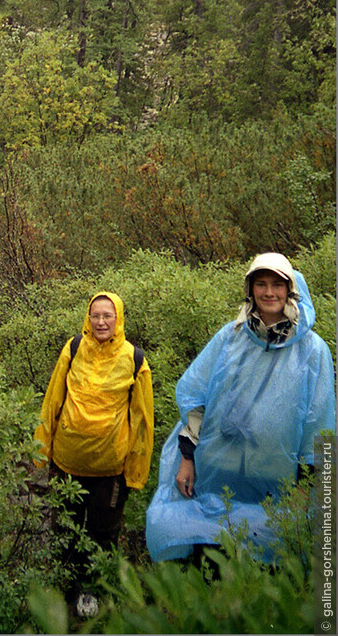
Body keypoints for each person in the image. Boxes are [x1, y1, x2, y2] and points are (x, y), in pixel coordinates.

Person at [146, 252, 336, 565]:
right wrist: (187, 459)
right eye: (261, 284)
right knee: (212, 560)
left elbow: (319, 423)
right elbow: (197, 398)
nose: (269, 292)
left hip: (277, 485)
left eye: (277, 284)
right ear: (251, 290)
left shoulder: (312, 351)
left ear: (290, 290)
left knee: (267, 570)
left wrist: (306, 485)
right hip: (219, 472)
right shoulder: (230, 338)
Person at [34, 292, 153, 617]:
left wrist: (136, 470)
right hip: (66, 462)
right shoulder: (73, 350)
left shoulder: (135, 359)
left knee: (103, 533)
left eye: (107, 316)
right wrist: (40, 449)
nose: (101, 322)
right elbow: (53, 400)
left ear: (119, 319)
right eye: (95, 315)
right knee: (66, 529)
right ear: (88, 318)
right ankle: (66, 590)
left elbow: (143, 420)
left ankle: (93, 593)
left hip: (110, 469)